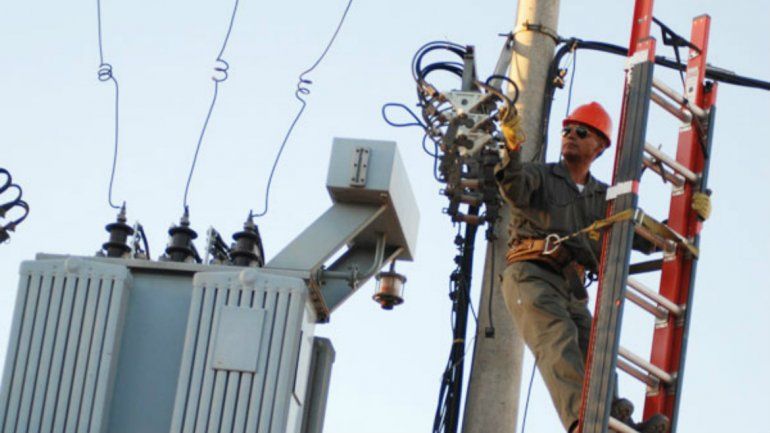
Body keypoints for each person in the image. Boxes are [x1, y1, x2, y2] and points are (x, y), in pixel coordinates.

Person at [494, 102, 709, 433]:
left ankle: (617, 422)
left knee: (598, 349)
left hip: (570, 288)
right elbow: (513, 186)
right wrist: (512, 147)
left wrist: (690, 219)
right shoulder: (540, 176)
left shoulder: (604, 199)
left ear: (600, 146)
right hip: (531, 276)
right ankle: (587, 424)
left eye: (581, 132)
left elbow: (644, 238)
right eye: (567, 131)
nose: (570, 137)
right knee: (558, 341)